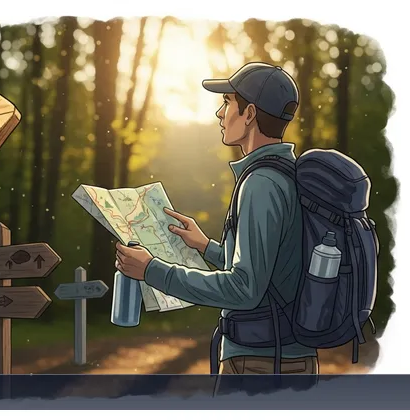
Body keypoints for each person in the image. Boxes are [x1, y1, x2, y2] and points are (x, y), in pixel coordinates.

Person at [114, 62, 319, 385]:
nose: (219, 114)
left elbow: (245, 290)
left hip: (261, 364)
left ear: (249, 114)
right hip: (284, 357)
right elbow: (271, 271)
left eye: (227, 103)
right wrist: (206, 247)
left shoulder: (261, 184)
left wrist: (152, 270)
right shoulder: (286, 174)